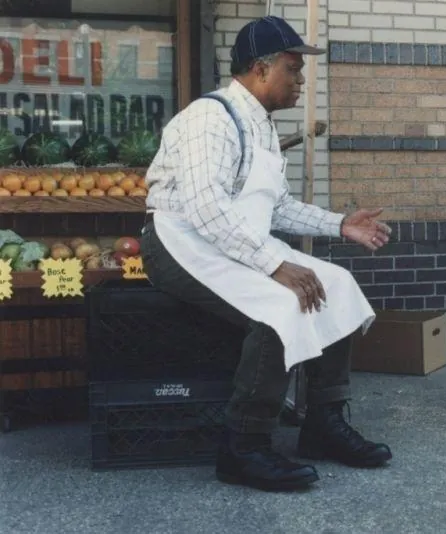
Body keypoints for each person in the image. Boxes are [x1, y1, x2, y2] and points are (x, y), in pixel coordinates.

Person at [140, 16, 393, 491]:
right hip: (180, 244)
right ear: (260, 69)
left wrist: (340, 224)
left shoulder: (261, 126)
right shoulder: (209, 119)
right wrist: (275, 265)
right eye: (293, 70)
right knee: (279, 306)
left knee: (337, 285)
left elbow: (276, 207)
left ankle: (323, 424)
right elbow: (206, 209)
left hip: (234, 239)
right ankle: (245, 446)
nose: (301, 81)